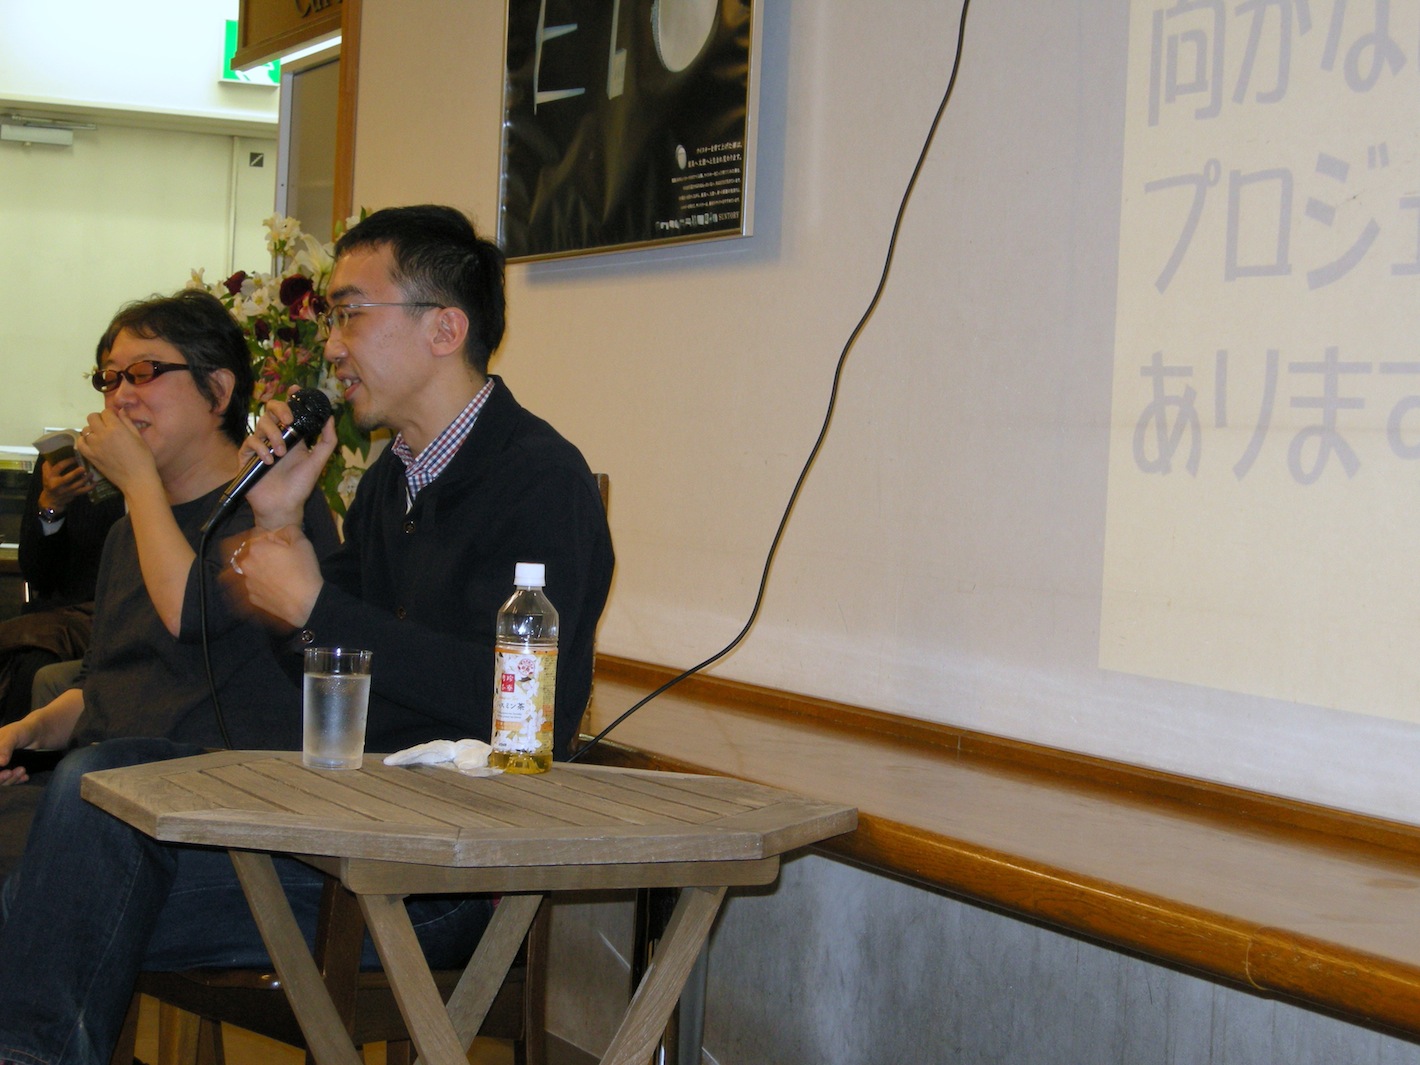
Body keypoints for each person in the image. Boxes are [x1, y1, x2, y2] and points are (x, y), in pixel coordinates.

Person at [0, 205, 615, 1065]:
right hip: (345, 828)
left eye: (350, 313)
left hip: (443, 872)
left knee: (59, 879)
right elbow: (318, 670)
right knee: (94, 802)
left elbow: (520, 714)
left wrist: (317, 601)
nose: (331, 345)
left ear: (444, 329)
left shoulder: (538, 479)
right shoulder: (389, 481)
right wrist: (280, 518)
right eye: (329, 317)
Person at [0, 291, 337, 874]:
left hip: (212, 817)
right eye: (109, 379)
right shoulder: (125, 535)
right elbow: (102, 686)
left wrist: (138, 484)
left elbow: (190, 614)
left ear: (218, 391)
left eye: (143, 372)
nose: (120, 396)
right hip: (105, 797)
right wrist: (25, 730)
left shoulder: (276, 510)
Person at [0, 409, 125, 726]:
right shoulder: (64, 465)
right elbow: (37, 573)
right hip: (65, 617)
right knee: (23, 659)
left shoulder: (175, 466)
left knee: (34, 668)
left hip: (118, 616)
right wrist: (51, 506)